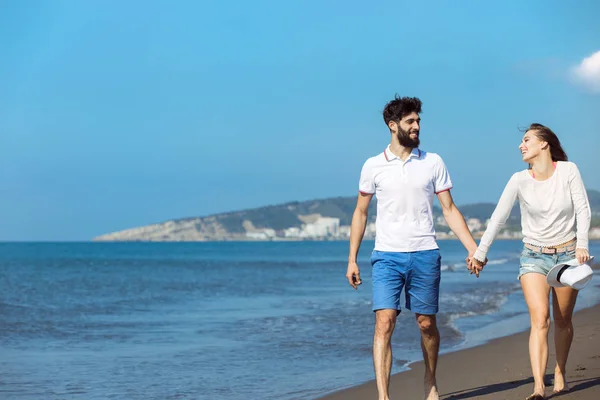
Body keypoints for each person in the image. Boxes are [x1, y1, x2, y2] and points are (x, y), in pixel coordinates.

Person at [346, 96, 481, 400]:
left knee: (426, 324)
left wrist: (473, 248)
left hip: (424, 253)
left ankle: (430, 381)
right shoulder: (373, 166)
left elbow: (449, 209)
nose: (417, 126)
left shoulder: (433, 162)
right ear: (393, 126)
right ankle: (383, 396)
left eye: (418, 121)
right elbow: (361, 213)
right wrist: (352, 259)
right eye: (410, 121)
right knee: (384, 321)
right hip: (386, 255)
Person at [470, 123, 592, 400]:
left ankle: (560, 371)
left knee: (563, 320)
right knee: (540, 321)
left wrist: (582, 244)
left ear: (544, 144)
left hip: (567, 257)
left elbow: (583, 209)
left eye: (526, 140)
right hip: (533, 256)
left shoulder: (569, 171)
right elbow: (498, 218)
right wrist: (481, 252)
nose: (520, 145)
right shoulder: (518, 180)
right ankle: (538, 386)